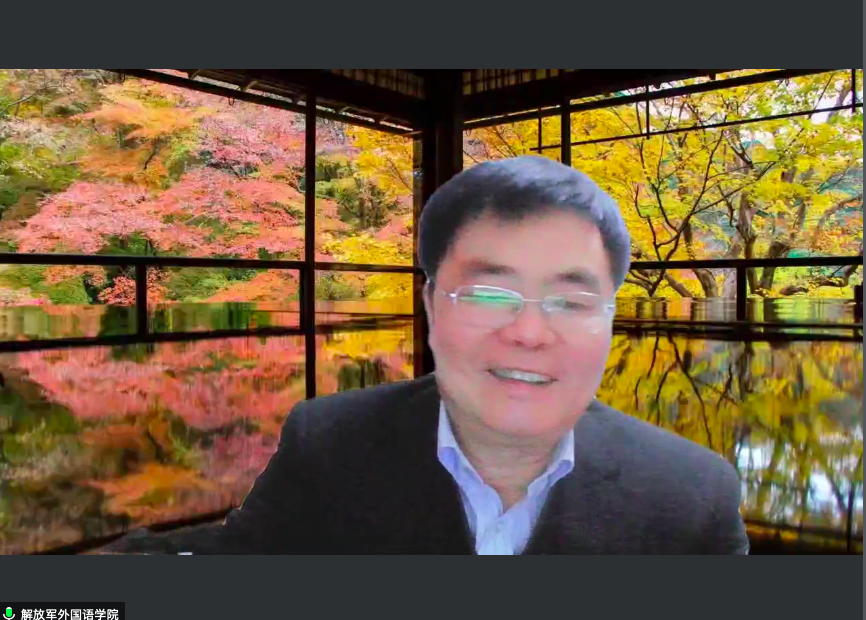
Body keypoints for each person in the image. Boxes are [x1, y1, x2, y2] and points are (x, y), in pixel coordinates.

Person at [107, 155, 749, 555]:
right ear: (431, 306)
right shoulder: (328, 443)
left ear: (609, 319)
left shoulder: (693, 494)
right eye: (490, 294)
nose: (529, 332)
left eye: (570, 301)